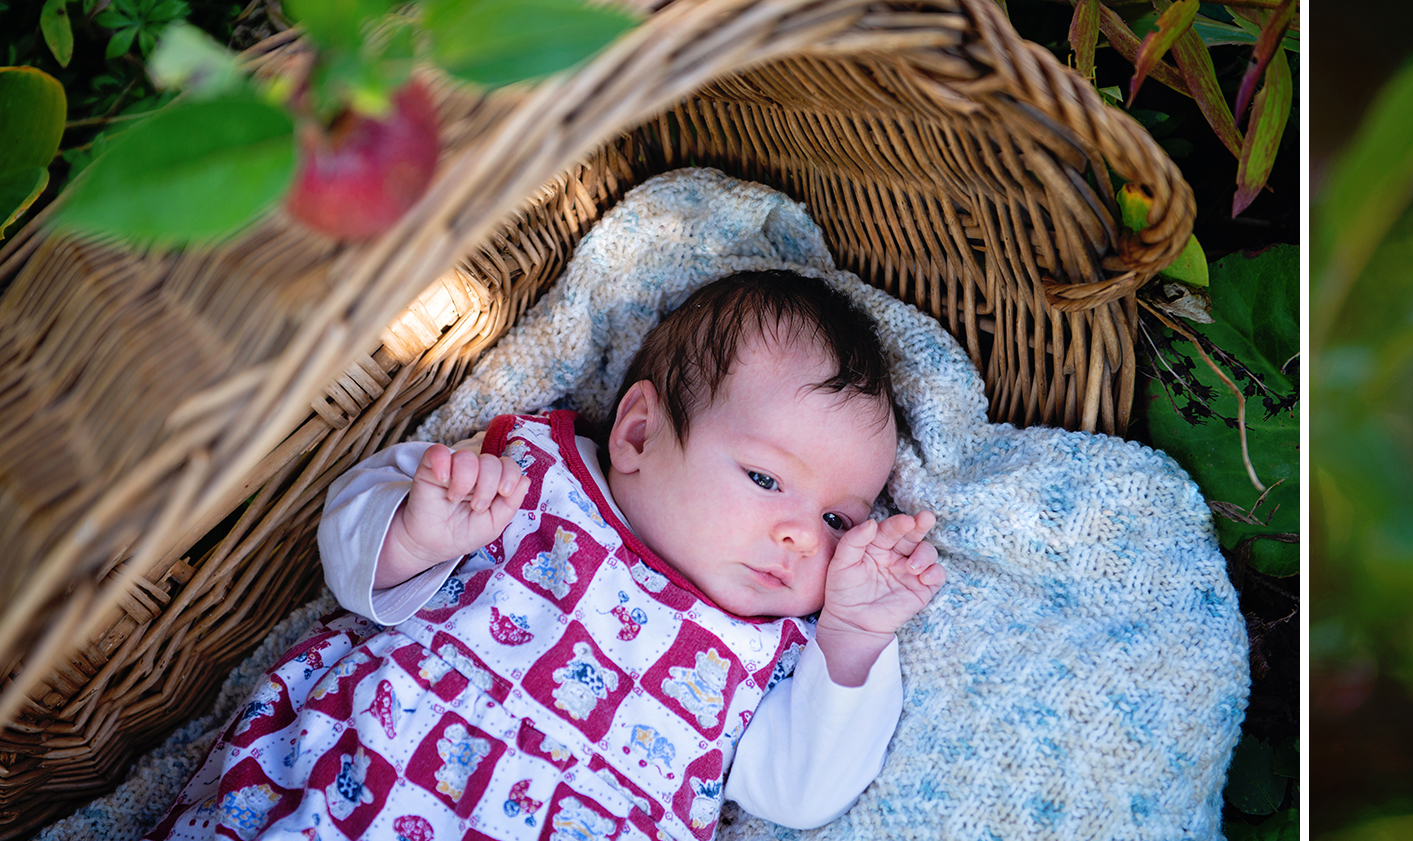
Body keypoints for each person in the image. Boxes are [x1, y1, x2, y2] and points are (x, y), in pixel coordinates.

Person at [144, 271, 946, 841]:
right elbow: (351, 562)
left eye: (840, 517)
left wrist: (851, 639)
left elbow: (800, 790)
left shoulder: (771, 651)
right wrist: (417, 536)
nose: (803, 535)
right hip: (353, 792)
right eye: (767, 476)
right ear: (635, 434)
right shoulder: (530, 483)